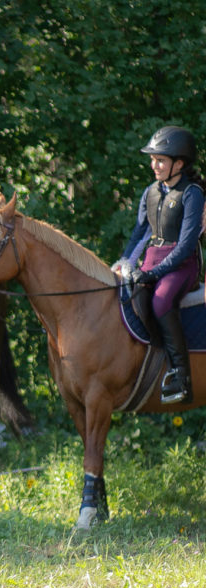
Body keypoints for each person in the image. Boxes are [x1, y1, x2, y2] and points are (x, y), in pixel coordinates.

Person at [114, 125, 204, 404]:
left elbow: (187, 245)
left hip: (182, 265)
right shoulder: (150, 192)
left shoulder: (192, 194)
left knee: (161, 301)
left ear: (179, 163)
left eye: (160, 160)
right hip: (152, 261)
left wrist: (153, 273)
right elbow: (140, 234)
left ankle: (180, 376)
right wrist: (124, 264)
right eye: (153, 159)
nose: (154, 165)